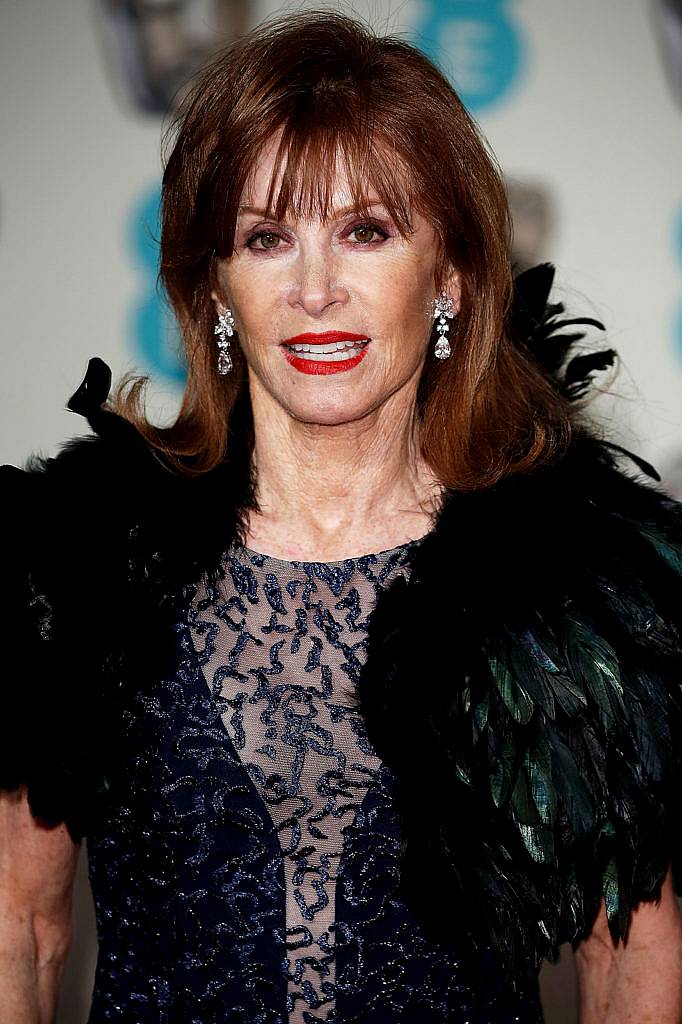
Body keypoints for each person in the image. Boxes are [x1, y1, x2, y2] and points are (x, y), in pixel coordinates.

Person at [1, 9, 681, 1023]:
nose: (315, 288)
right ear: (217, 286)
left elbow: (629, 959)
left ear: (447, 273)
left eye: (365, 230)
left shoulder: (572, 590)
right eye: (267, 237)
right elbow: (22, 926)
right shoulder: (81, 563)